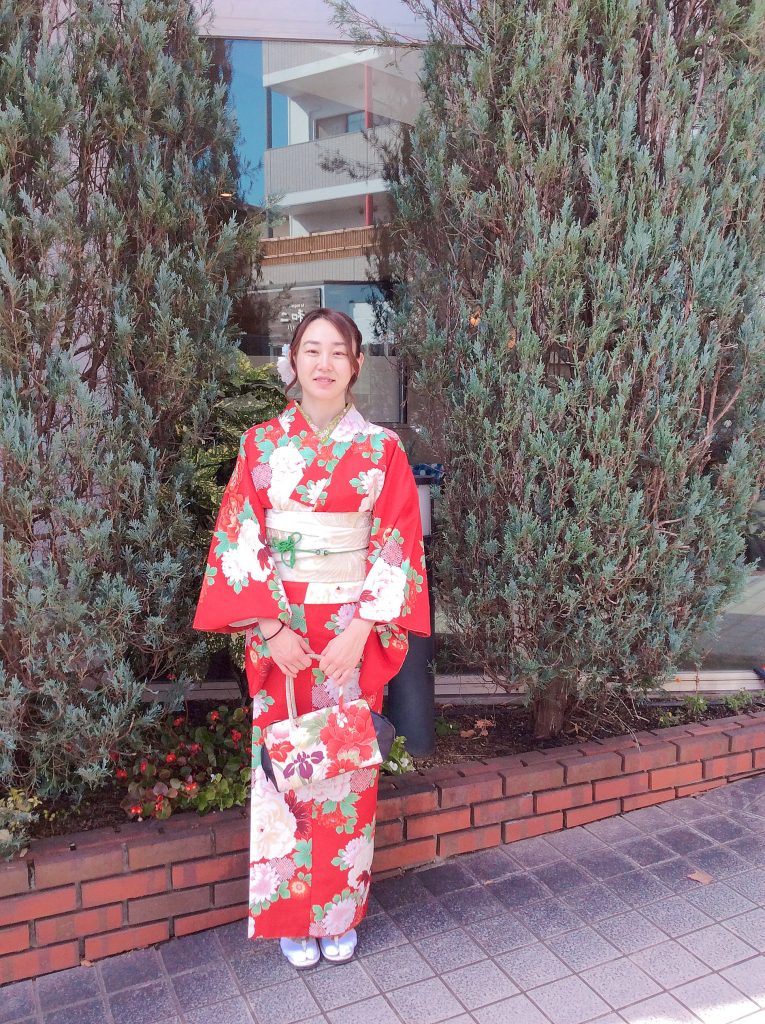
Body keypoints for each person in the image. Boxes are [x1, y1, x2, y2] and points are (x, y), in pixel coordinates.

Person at [193, 308, 430, 968]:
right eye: (311, 350)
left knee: (345, 768)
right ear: (292, 362)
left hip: (351, 633)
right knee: (285, 770)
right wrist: (269, 629)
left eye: (338, 352)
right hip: (282, 630)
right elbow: (238, 537)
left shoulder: (381, 450)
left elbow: (397, 541)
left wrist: (362, 629)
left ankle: (338, 911)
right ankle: (291, 915)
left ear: (356, 365)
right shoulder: (260, 445)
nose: (324, 363)